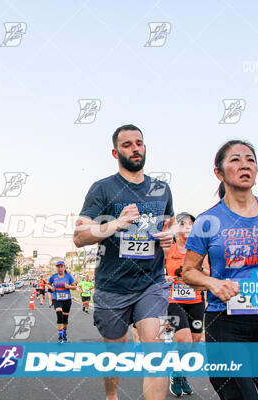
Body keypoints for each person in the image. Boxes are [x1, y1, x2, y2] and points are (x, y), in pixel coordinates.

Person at [182, 139, 258, 400]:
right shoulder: (207, 220)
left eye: (250, 159)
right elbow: (188, 271)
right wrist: (213, 284)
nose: (245, 164)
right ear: (219, 173)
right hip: (225, 323)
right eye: (235, 159)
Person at [73, 124, 175, 400]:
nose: (135, 148)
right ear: (115, 151)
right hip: (112, 287)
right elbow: (79, 236)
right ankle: (111, 395)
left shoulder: (161, 189)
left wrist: (167, 237)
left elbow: (169, 225)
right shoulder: (102, 189)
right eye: (127, 144)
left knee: (155, 351)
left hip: (151, 284)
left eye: (139, 143)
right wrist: (116, 224)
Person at [165, 212, 208, 397]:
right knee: (184, 340)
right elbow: (154, 271)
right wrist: (163, 277)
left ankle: (182, 375)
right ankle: (175, 374)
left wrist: (201, 271)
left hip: (196, 300)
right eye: (183, 224)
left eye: (191, 224)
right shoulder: (169, 249)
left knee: (194, 342)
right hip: (173, 301)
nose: (187, 227)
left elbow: (209, 275)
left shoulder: (199, 252)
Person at [47, 261, 77, 343]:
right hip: (57, 299)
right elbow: (48, 284)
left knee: (65, 319)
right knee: (59, 315)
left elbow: (75, 287)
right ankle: (60, 336)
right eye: (58, 267)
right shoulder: (53, 276)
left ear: (64, 268)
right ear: (57, 268)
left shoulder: (69, 277)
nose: (60, 268)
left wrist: (69, 286)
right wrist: (51, 288)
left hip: (67, 300)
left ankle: (64, 333)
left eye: (61, 267)